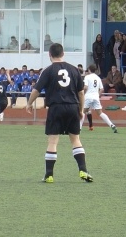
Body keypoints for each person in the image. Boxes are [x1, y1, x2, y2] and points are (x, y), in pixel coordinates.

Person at [25, 43, 93, 183]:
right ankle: (83, 171)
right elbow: (81, 92)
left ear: (50, 55)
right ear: (63, 54)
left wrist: (29, 103)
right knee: (75, 139)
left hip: (55, 107)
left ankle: (49, 175)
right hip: (72, 107)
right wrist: (80, 110)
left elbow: (36, 90)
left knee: (53, 141)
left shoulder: (48, 70)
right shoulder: (74, 70)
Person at [81, 64, 117, 133]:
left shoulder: (87, 77)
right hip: (95, 97)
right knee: (100, 113)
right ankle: (111, 125)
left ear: (89, 70)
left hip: (88, 96)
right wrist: (97, 95)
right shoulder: (98, 78)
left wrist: (83, 93)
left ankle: (78, 128)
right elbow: (102, 89)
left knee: (82, 112)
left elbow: (85, 87)